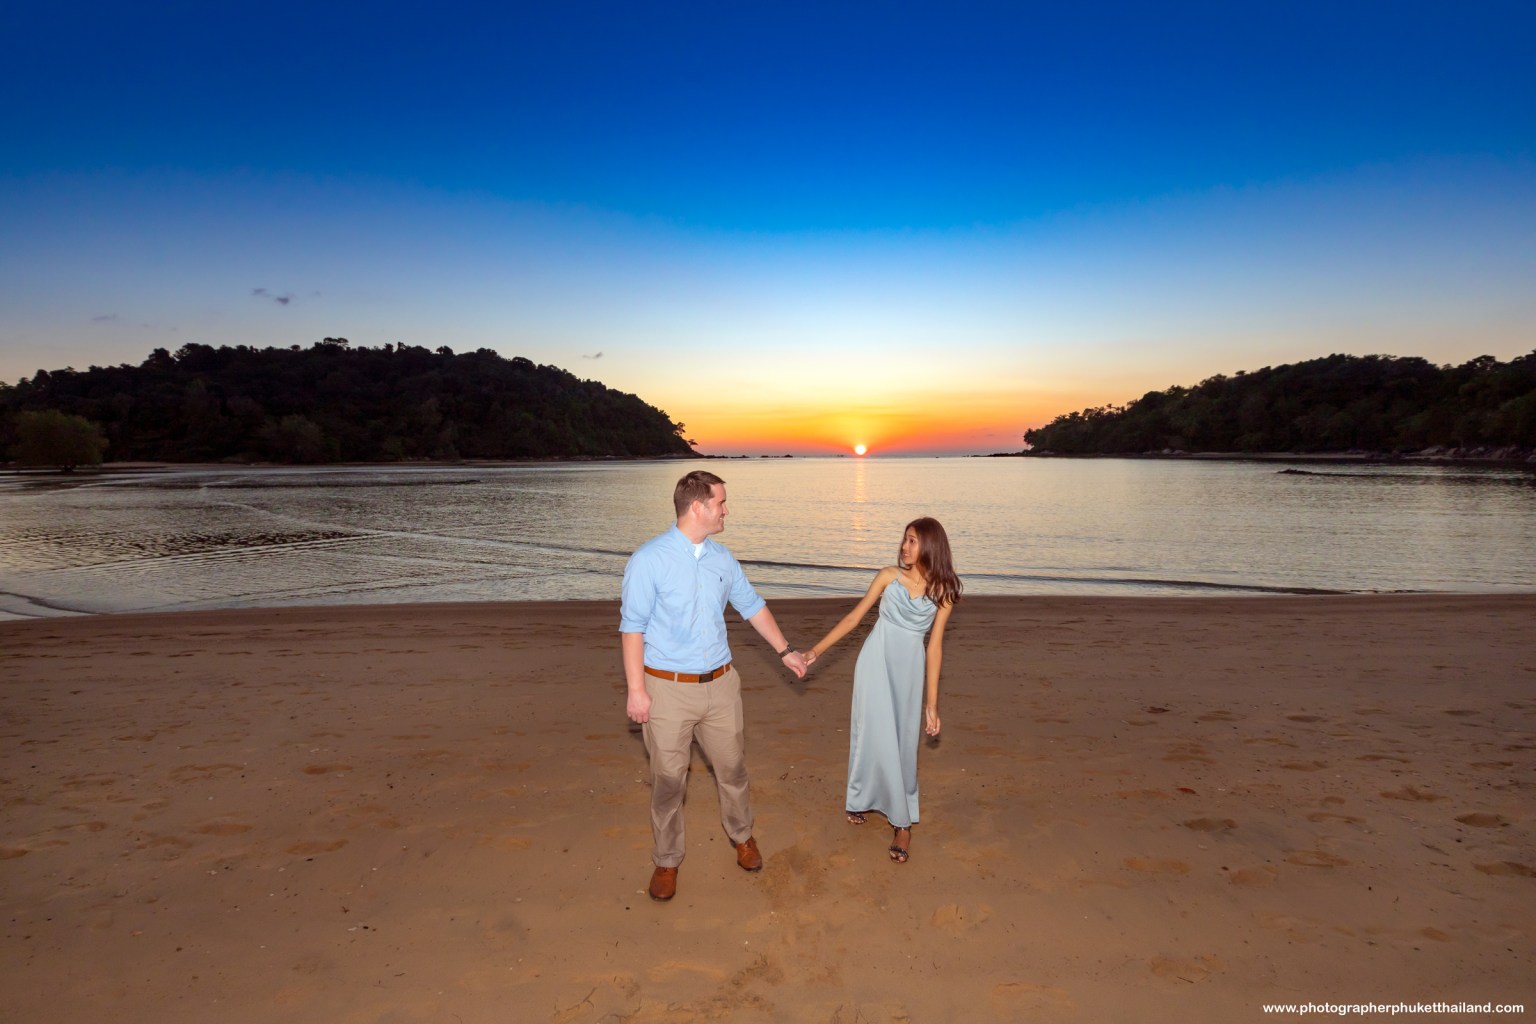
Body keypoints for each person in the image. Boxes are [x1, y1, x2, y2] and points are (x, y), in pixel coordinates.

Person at [620, 470, 808, 902]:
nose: (726, 509)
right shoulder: (649, 560)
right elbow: (632, 629)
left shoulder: (723, 559)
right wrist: (636, 689)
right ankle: (667, 861)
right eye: (721, 502)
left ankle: (742, 837)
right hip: (666, 690)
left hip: (722, 687)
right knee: (668, 782)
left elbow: (752, 606)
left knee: (733, 771)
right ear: (697, 507)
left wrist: (786, 650)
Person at [804, 517, 961, 863]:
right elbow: (854, 618)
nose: (904, 547)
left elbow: (934, 647)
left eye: (912, 541)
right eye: (904, 540)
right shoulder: (889, 576)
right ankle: (859, 798)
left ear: (930, 546)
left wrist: (931, 705)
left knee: (903, 742)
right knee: (870, 733)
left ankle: (902, 823)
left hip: (909, 669)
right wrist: (816, 651)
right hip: (875, 661)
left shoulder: (944, 591)